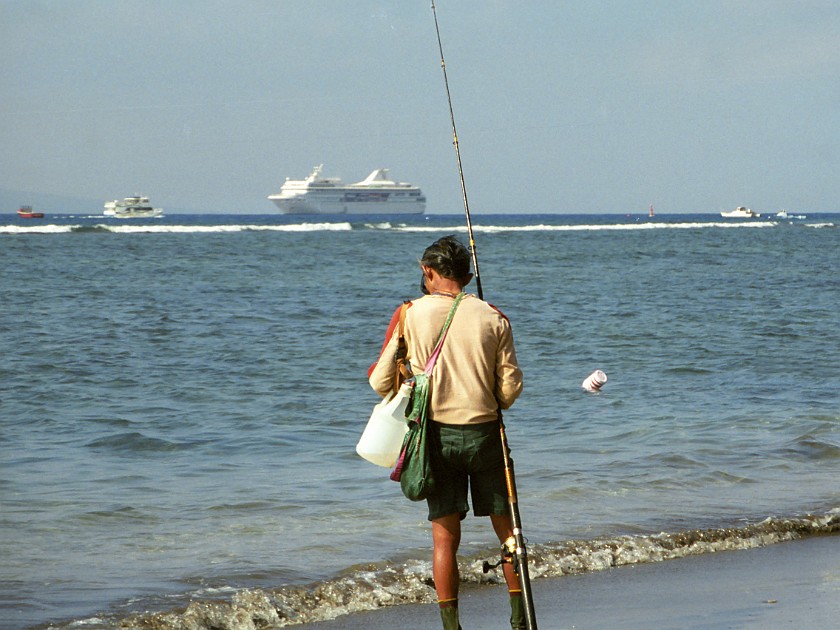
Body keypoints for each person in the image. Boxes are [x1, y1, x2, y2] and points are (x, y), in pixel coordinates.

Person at [368, 235, 525, 630]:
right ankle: (520, 620)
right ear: (468, 276)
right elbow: (508, 393)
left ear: (429, 272)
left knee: (444, 541)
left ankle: (452, 627)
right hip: (486, 435)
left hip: (435, 438)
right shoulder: (494, 317)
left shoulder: (409, 314)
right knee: (508, 532)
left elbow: (379, 381)